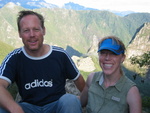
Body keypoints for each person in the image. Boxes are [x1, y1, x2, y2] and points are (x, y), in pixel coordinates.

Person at [0, 10, 85, 113]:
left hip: (56, 106)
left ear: (43, 31)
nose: (32, 35)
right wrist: (15, 109)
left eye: (36, 29)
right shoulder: (14, 57)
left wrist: (84, 102)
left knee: (70, 100)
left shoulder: (60, 55)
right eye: (26, 30)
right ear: (19, 34)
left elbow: (79, 81)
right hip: (28, 108)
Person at [80, 36, 142, 113]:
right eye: (103, 53)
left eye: (113, 53)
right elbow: (80, 103)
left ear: (122, 58)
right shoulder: (92, 78)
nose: (107, 58)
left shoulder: (131, 91)